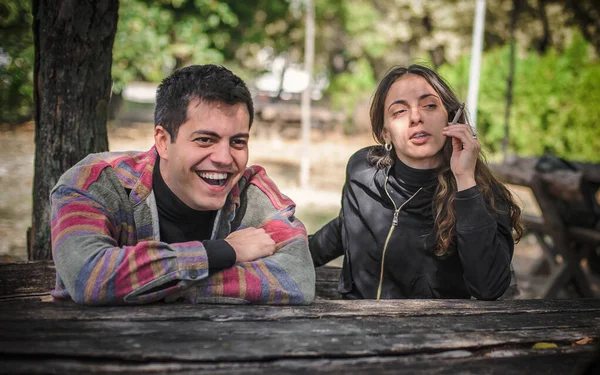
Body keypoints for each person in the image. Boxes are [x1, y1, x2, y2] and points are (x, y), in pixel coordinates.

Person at [50, 64, 315, 305]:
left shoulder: (252, 191)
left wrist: (163, 286)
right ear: (163, 141)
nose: (224, 159)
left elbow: (297, 279)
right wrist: (223, 252)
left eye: (238, 142)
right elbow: (89, 275)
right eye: (205, 140)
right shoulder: (95, 181)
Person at [309, 64, 523, 300]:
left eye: (429, 105)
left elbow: (489, 287)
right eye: (399, 111)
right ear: (385, 133)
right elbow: (347, 226)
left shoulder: (480, 193)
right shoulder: (363, 171)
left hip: (432, 332)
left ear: (450, 119)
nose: (416, 117)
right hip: (356, 329)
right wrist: (278, 253)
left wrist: (465, 180)